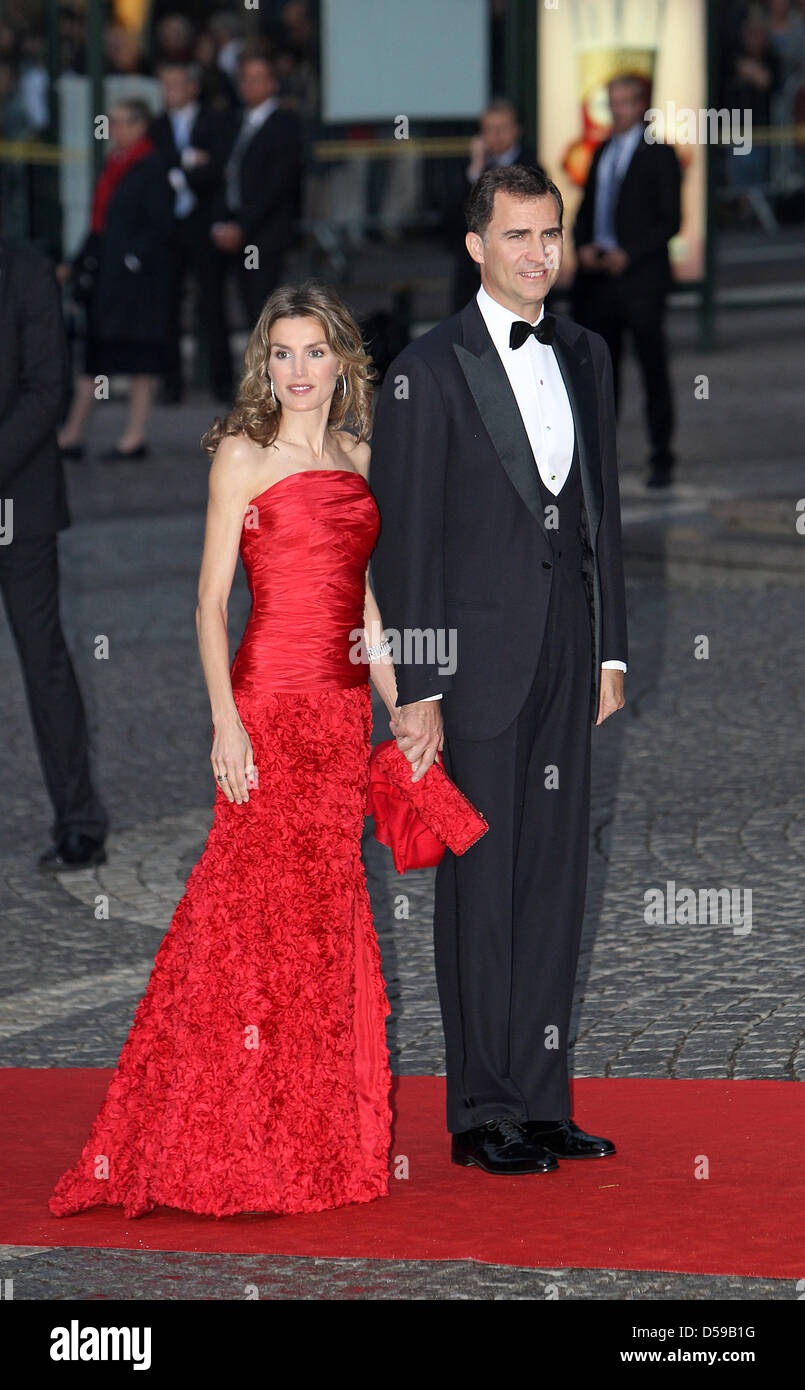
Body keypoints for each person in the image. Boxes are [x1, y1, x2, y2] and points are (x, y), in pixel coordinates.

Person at [49, 281, 396, 1219]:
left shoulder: (362, 455)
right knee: (244, 908)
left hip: (339, 716)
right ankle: (213, 1122)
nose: (296, 372)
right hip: (267, 706)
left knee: (320, 916)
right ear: (262, 364)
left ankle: (309, 1127)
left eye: (313, 353)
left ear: (343, 361)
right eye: (280, 354)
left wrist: (400, 706)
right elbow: (207, 602)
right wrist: (224, 722)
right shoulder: (240, 457)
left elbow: (365, 602)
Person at [369, 165, 627, 1176]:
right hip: (471, 666)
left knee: (557, 878)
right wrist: (418, 688)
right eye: (517, 235)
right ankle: (482, 1109)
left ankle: (543, 1096)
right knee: (482, 884)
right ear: (475, 245)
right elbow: (404, 542)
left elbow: (601, 513)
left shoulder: (588, 353)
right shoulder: (425, 370)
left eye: (550, 235)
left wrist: (610, 649)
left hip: (568, 649)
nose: (538, 254)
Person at [0, 238, 108, 870]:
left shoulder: (29, 272)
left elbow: (48, 392)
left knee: (43, 660)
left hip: (20, 504)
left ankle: (79, 819)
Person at [572, 75, 681, 488]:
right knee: (601, 373)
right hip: (600, 282)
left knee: (653, 367)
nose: (618, 111)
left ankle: (661, 457)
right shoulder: (601, 153)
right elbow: (587, 211)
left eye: (625, 103)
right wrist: (583, 246)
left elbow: (670, 219)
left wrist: (630, 253)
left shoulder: (659, 154)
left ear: (640, 106)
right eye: (612, 103)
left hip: (641, 281)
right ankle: (599, 461)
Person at [58, 98, 174, 460]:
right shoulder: (116, 166)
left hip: (135, 286)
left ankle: (133, 436)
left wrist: (131, 261)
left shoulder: (151, 167)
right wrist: (77, 264)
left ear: (140, 126)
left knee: (140, 357)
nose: (113, 130)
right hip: (109, 280)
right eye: (111, 122)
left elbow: (158, 226)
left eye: (121, 123)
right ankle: (73, 433)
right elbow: (100, 224)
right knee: (96, 355)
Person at [151, 61, 234, 401]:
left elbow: (217, 169)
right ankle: (172, 384)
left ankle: (222, 382)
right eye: (164, 85)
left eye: (174, 84)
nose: (168, 92)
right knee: (166, 304)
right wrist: (187, 161)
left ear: (191, 87)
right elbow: (156, 166)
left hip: (202, 225)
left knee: (213, 304)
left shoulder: (213, 121)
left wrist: (180, 170)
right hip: (170, 228)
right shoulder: (158, 126)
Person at [211, 48, 303, 326]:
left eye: (256, 78)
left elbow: (276, 185)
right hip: (236, 229)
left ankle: (268, 369)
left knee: (264, 310)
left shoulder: (284, 124)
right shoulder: (235, 121)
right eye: (244, 78)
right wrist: (222, 222)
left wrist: (243, 226)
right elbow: (225, 174)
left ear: (272, 83)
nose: (248, 85)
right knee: (242, 308)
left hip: (264, 234)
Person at [443, 98, 537, 313]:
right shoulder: (468, 167)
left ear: (516, 130)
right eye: (489, 129)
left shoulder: (531, 166)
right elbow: (451, 218)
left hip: (517, 273)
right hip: (473, 276)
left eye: (502, 128)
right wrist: (475, 171)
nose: (496, 136)